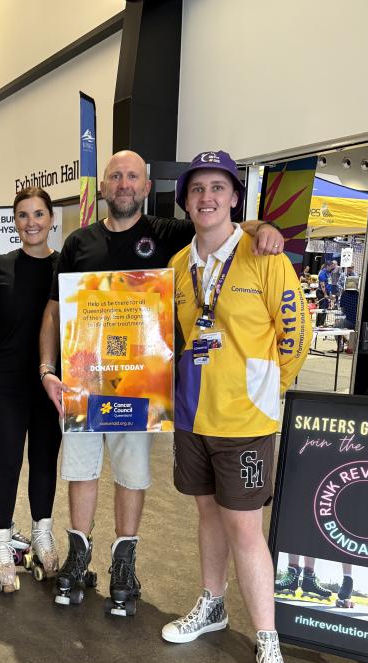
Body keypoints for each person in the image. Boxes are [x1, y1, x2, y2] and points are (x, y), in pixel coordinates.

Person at [39, 149, 284, 615]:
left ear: (147, 187)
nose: (124, 184)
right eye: (115, 176)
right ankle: (79, 555)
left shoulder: (169, 234)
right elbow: (54, 310)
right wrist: (48, 370)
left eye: (133, 176)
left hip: (140, 382)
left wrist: (262, 227)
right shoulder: (78, 242)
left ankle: (124, 563)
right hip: (84, 378)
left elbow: (221, 224)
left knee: (131, 473)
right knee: (81, 470)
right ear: (103, 187)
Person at [159, 151, 312, 663]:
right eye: (198, 188)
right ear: (186, 200)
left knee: (245, 528)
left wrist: (267, 385)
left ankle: (268, 643)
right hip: (192, 414)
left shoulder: (265, 255)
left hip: (244, 421)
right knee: (207, 514)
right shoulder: (178, 264)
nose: (207, 197)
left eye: (217, 187)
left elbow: (296, 333)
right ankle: (213, 603)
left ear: (234, 198)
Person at [0, 187, 61, 593]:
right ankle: (1, 542)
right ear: (15, 222)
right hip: (4, 382)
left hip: (51, 382)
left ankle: (42, 534)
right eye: (23, 215)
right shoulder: (0, 266)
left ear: (51, 219)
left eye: (39, 214)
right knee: (6, 462)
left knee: (44, 460)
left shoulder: (65, 266)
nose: (31, 222)